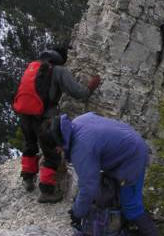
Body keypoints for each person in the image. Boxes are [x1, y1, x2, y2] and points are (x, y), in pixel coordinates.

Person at [41, 112, 159, 236]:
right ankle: (123, 228)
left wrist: (77, 213)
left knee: (131, 206)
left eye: (57, 149)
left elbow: (88, 188)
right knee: (116, 196)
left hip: (133, 156)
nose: (58, 151)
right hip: (128, 143)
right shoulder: (79, 121)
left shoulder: (81, 149)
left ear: (58, 144)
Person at [13, 45, 101, 202]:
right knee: (51, 153)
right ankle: (47, 192)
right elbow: (77, 92)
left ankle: (27, 178)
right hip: (45, 119)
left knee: (29, 145)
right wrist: (90, 88)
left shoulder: (32, 67)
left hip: (25, 115)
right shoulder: (58, 70)